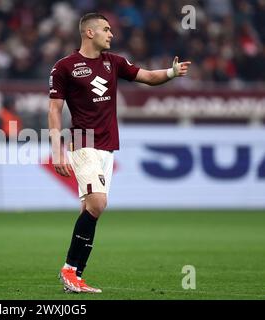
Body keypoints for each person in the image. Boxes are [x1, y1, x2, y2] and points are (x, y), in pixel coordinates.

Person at [48, 13, 191, 293]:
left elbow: (148, 77)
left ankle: (75, 274)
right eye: (106, 29)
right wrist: (57, 150)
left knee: (90, 210)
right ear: (89, 33)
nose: (111, 34)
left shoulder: (114, 63)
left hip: (107, 146)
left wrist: (171, 73)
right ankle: (69, 271)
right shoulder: (64, 67)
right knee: (98, 204)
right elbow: (54, 110)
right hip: (82, 141)